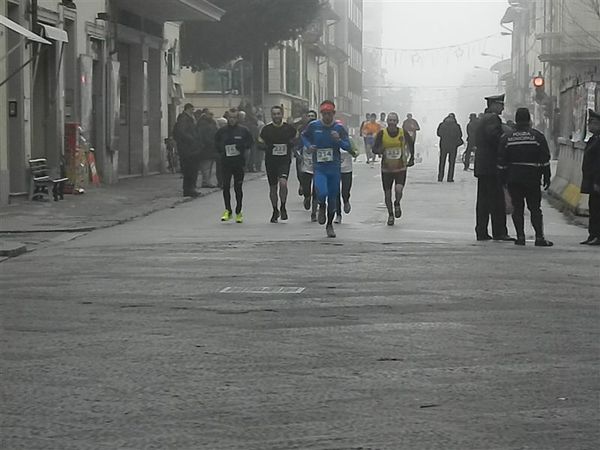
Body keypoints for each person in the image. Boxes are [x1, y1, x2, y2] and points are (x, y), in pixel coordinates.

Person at [498, 108, 553, 247]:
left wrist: (503, 180)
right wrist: (546, 176)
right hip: (532, 178)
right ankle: (539, 237)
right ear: (529, 120)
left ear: (516, 120)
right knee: (535, 208)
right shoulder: (537, 136)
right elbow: (545, 159)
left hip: (514, 178)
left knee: (518, 207)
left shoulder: (507, 138)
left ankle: (520, 237)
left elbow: (501, 161)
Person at [302, 100, 351, 238]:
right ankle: (321, 206)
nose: (327, 116)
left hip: (334, 168)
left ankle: (329, 225)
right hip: (320, 168)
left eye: (329, 114)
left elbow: (348, 146)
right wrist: (308, 146)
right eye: (324, 114)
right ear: (321, 114)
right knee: (321, 193)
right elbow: (304, 136)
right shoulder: (314, 126)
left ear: (334, 114)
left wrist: (339, 141)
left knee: (333, 198)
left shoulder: (339, 128)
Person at [474, 94, 515, 241]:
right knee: (497, 201)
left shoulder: (482, 119)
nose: (503, 108)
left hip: (482, 166)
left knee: (483, 201)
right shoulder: (493, 119)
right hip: (491, 165)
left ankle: (481, 231)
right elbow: (495, 138)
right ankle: (499, 232)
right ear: (494, 105)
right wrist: (506, 137)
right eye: (501, 105)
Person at [372, 112, 415, 226]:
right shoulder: (382, 133)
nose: (392, 123)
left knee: (398, 190)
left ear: (397, 122)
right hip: (386, 169)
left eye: (394, 120)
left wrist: (412, 158)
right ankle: (390, 215)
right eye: (390, 120)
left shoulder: (402, 132)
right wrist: (380, 150)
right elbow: (374, 149)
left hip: (400, 167)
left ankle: (397, 203)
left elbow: (411, 144)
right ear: (387, 121)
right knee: (387, 194)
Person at [259, 105, 298, 223]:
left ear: (282, 115)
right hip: (271, 161)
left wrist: (292, 143)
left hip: (284, 160)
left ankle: (283, 206)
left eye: (278, 113)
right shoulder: (266, 129)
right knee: (273, 188)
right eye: (274, 114)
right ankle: (275, 210)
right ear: (271, 115)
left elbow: (297, 137)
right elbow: (259, 141)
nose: (276, 116)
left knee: (283, 183)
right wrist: (265, 147)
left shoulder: (289, 128)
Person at [214, 108, 254, 223]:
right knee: (225, 186)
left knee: (238, 188)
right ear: (227, 118)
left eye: (234, 118)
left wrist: (242, 148)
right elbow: (216, 142)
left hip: (238, 163)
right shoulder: (222, 131)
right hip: (226, 162)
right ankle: (228, 210)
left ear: (238, 118)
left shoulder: (243, 130)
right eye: (230, 117)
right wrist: (221, 151)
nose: (232, 120)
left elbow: (250, 143)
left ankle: (238, 211)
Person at [580, 109, 600, 245]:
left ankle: (597, 235)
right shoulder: (593, 139)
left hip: (596, 180)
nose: (589, 126)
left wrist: (597, 181)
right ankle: (592, 234)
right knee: (593, 208)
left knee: (597, 209)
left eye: (592, 123)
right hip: (590, 179)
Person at [173, 103, 200, 197]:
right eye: (192, 109)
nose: (193, 111)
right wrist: (192, 140)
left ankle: (190, 189)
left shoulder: (188, 119)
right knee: (190, 169)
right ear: (188, 109)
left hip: (190, 148)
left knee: (191, 169)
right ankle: (189, 189)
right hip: (187, 148)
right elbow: (182, 132)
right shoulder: (184, 119)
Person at [299, 110, 319, 221]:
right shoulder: (304, 134)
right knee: (307, 189)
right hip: (306, 165)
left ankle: (314, 213)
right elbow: (298, 145)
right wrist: (298, 154)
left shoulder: (320, 133)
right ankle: (307, 197)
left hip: (318, 166)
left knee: (316, 189)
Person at [335, 134, 359, 224]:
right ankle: (338, 214)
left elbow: (356, 152)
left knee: (345, 191)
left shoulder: (348, 140)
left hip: (347, 169)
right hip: (334, 170)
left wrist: (353, 152)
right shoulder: (331, 139)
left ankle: (346, 200)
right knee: (335, 192)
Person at [194, 109, 217, 188]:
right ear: (206, 114)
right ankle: (206, 181)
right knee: (205, 166)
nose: (212, 116)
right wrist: (210, 142)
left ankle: (206, 181)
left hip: (209, 147)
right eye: (210, 114)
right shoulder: (203, 124)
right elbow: (203, 136)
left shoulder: (210, 123)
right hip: (205, 148)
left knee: (208, 166)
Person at [436, 113, 463, 182]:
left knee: (442, 161)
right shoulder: (456, 126)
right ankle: (450, 178)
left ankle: (440, 177)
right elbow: (460, 135)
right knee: (452, 162)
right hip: (453, 145)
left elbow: (438, 133)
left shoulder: (442, 125)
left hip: (443, 144)